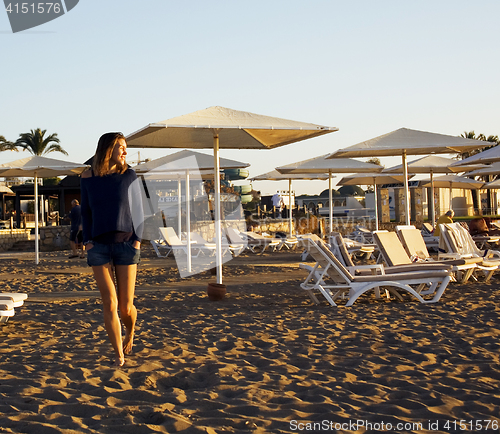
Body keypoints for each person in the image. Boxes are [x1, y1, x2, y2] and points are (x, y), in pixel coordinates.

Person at [81, 132, 144, 367]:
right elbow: (86, 212)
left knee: (126, 307)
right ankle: (118, 354)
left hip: (126, 245)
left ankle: (131, 331)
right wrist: (87, 240)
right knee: (109, 303)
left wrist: (137, 239)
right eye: (121, 147)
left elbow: (139, 210)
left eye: (126, 147)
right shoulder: (87, 177)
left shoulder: (129, 175)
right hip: (98, 247)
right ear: (108, 149)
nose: (125, 151)